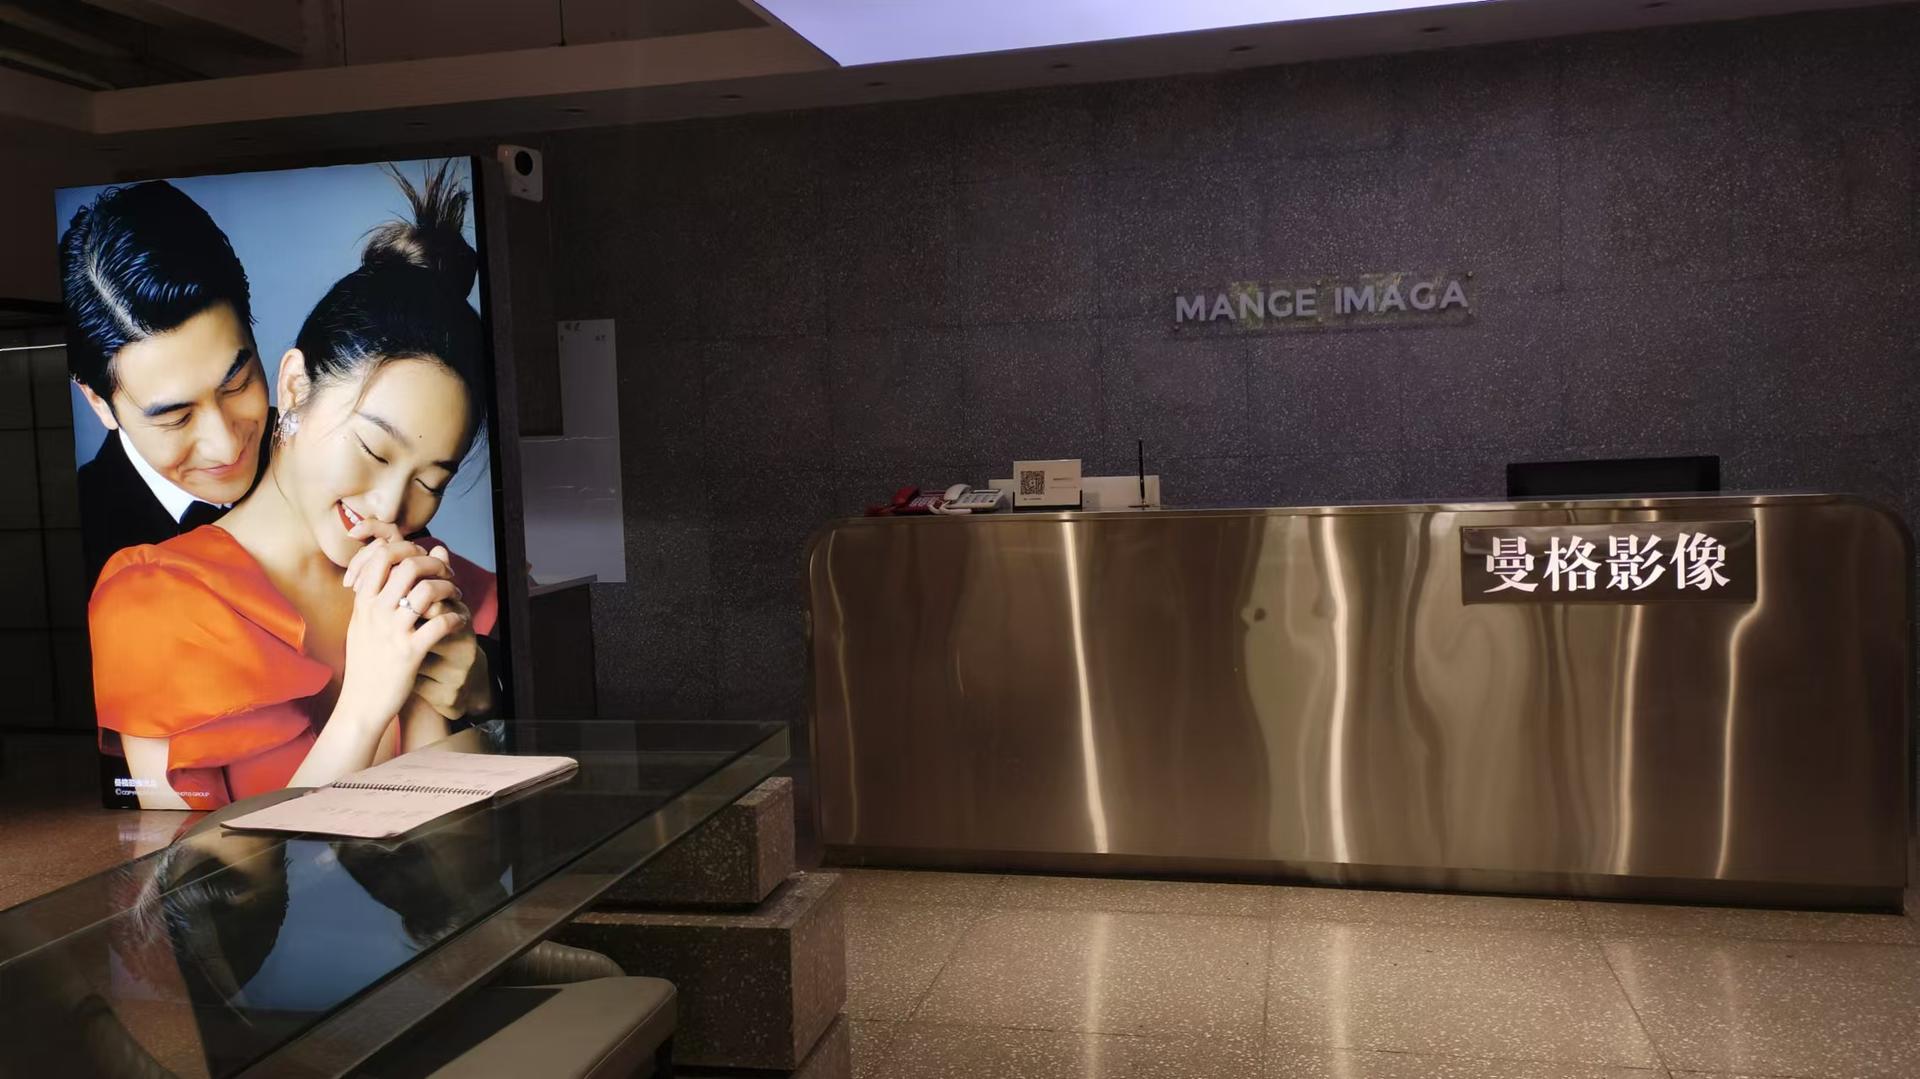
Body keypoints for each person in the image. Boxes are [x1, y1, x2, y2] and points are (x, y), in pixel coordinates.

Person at [88, 161, 498, 811]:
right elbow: (186, 862)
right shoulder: (153, 600)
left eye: (431, 479)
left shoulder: (428, 579)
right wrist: (366, 704)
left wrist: (464, 693)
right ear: (296, 387)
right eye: (372, 449)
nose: (392, 506)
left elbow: (460, 847)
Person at [60, 180, 273, 589]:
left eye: (237, 383)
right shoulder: (76, 545)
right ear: (97, 401)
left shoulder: (326, 461)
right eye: (176, 417)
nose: (226, 446)